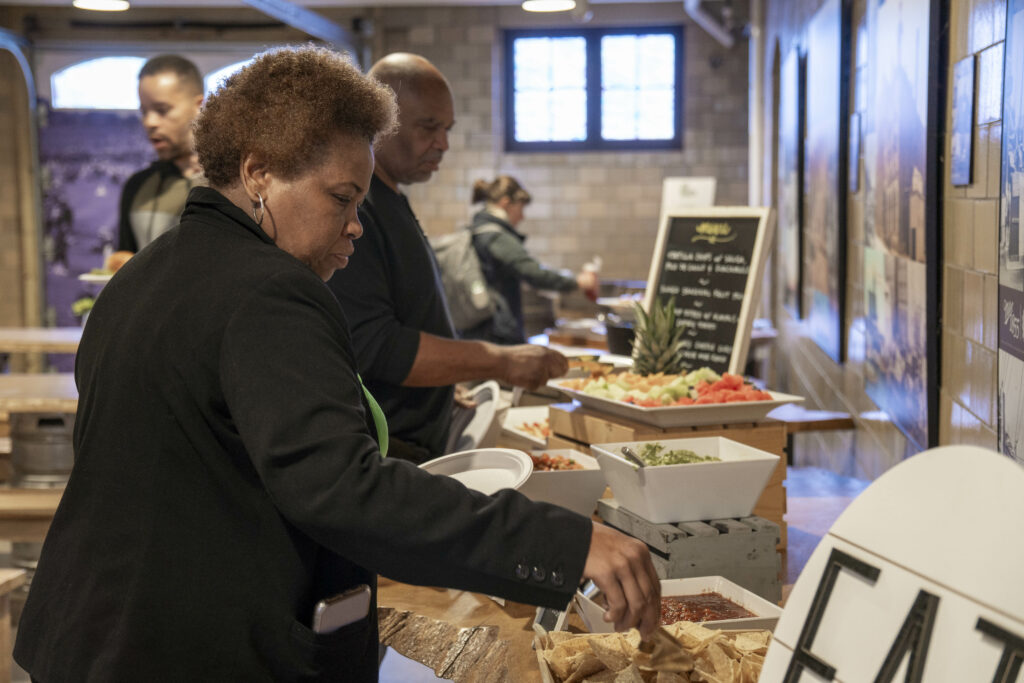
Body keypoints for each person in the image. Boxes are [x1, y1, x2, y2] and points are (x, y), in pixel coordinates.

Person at [13, 46, 660, 682]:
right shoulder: (268, 290)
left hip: (88, 634)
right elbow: (342, 488)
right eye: (342, 198)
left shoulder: (149, 270)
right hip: (180, 651)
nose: (355, 226)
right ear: (259, 172)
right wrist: (565, 543)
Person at [327, 53, 567, 464]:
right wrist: (499, 360)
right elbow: (375, 345)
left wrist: (441, 383)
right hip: (389, 452)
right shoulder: (360, 210)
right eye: (429, 127)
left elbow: (407, 321)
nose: (443, 143)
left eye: (447, 129)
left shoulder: (391, 200)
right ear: (379, 120)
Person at [460, 175, 600, 345]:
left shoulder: (477, 231)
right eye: (520, 209)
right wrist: (578, 281)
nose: (522, 217)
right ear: (505, 203)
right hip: (496, 332)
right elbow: (533, 272)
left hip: (479, 328)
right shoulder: (495, 237)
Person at [117, 54, 205, 253]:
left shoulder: (232, 185)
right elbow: (125, 259)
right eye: (144, 111)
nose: (150, 122)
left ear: (199, 106)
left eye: (162, 110)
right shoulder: (137, 186)